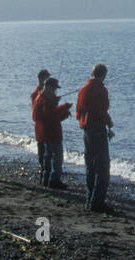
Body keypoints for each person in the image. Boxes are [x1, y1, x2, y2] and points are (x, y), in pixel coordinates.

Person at [76, 64, 114, 212]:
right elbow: (102, 111)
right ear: (103, 74)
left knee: (90, 167)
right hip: (97, 130)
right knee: (103, 168)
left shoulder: (83, 88)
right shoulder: (101, 90)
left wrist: (83, 121)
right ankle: (97, 202)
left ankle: (89, 199)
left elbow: (78, 111)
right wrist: (109, 123)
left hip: (86, 130)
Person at [33, 77, 72, 189]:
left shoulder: (40, 98)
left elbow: (49, 114)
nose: (55, 91)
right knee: (57, 157)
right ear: (49, 87)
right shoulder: (45, 101)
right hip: (52, 133)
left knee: (48, 157)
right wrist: (64, 108)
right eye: (54, 89)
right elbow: (52, 117)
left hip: (45, 133)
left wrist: (55, 104)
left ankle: (46, 179)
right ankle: (54, 180)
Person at [31, 69, 51, 173]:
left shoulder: (46, 91)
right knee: (42, 147)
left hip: (46, 124)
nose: (48, 80)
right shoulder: (36, 93)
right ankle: (43, 168)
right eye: (46, 78)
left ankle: (45, 168)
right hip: (40, 124)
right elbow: (37, 109)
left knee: (47, 147)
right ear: (41, 78)